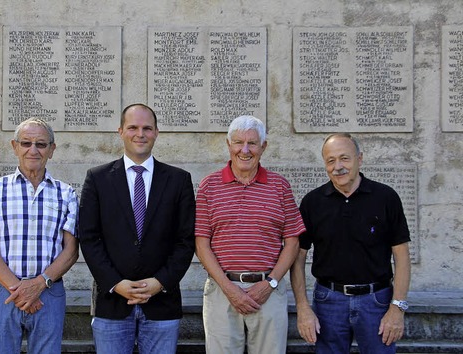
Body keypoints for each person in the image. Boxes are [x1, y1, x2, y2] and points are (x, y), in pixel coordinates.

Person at [78, 103, 196, 354]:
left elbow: (185, 240)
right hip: (112, 302)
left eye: (147, 128)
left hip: (162, 303)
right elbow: (89, 238)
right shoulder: (98, 178)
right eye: (132, 127)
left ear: (156, 133)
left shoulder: (178, 180)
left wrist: (160, 282)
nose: (140, 134)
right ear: (120, 131)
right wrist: (116, 283)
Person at [290, 133, 411, 353]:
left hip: (377, 302)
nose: (338, 166)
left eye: (345, 158)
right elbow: (297, 258)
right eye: (331, 160)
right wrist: (303, 308)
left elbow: (401, 256)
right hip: (328, 303)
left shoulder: (386, 197)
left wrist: (397, 308)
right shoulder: (312, 202)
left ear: (360, 159)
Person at [0, 117, 79, 354]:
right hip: (3, 294)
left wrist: (39, 283)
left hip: (48, 292)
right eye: (26, 143)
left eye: (41, 144)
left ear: (52, 150)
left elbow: (70, 251)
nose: (33, 150)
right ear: (15, 146)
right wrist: (18, 288)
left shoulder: (66, 193)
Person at [195, 115, 305, 354]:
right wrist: (229, 288)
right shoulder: (208, 186)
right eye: (238, 143)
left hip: (269, 289)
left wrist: (270, 283)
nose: (244, 150)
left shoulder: (280, 186)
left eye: (252, 143)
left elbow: (293, 242)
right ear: (228, 145)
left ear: (263, 147)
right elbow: (201, 244)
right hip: (221, 290)